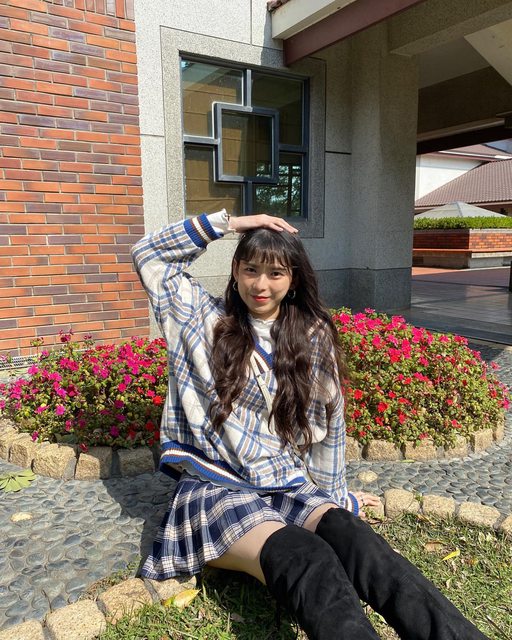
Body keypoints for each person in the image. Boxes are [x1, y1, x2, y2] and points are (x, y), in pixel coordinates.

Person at [132, 210, 488, 639]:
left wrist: (336, 499)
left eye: (276, 273)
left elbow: (328, 429)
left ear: (294, 279)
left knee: (354, 538)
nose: (261, 285)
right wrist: (234, 224)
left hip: (286, 484)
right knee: (307, 557)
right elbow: (149, 255)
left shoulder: (311, 336)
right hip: (217, 487)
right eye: (251, 269)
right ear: (235, 269)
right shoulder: (201, 319)